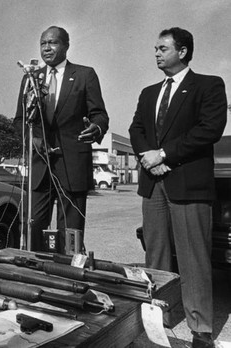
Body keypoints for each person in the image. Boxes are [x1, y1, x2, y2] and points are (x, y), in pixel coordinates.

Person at [129, 27, 227, 348]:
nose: (156, 53)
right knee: (155, 255)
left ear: (182, 52)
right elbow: (136, 128)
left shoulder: (209, 86)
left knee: (193, 258)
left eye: (163, 48)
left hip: (188, 184)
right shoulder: (148, 92)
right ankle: (158, 318)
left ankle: (201, 330)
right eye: (155, 48)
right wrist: (149, 159)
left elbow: (209, 129)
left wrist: (165, 154)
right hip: (153, 184)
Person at [13, 26, 109, 253]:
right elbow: (19, 120)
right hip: (40, 166)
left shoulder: (85, 75)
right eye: (43, 43)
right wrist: (33, 139)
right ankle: (37, 273)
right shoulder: (31, 78)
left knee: (71, 231)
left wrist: (96, 128)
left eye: (53, 43)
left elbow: (99, 114)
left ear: (66, 45)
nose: (47, 48)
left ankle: (70, 276)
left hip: (72, 164)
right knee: (33, 225)